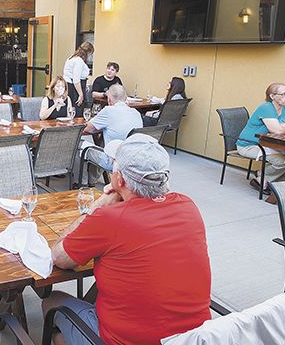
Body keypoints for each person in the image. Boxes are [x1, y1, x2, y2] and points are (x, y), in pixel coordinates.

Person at [46, 134, 211, 345]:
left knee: (52, 301)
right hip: (194, 339)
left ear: (119, 179)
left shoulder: (109, 218)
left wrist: (101, 204)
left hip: (126, 341)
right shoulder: (188, 206)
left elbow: (58, 257)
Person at [236, 83, 285, 195]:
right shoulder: (266, 108)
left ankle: (261, 176)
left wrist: (284, 126)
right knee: (283, 161)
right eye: (283, 94)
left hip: (268, 144)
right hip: (249, 145)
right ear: (272, 96)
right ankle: (261, 180)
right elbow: (277, 130)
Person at [79, 84, 143, 185]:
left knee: (81, 146)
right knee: (102, 142)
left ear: (109, 99)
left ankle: (82, 183)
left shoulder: (108, 111)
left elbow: (86, 129)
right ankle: (92, 180)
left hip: (114, 160)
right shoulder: (136, 113)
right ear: (125, 98)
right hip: (133, 158)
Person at [62, 41, 94, 115]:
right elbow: (76, 79)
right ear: (88, 52)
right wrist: (81, 94)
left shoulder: (71, 58)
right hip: (74, 88)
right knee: (77, 109)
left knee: (71, 108)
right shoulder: (79, 61)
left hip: (70, 85)